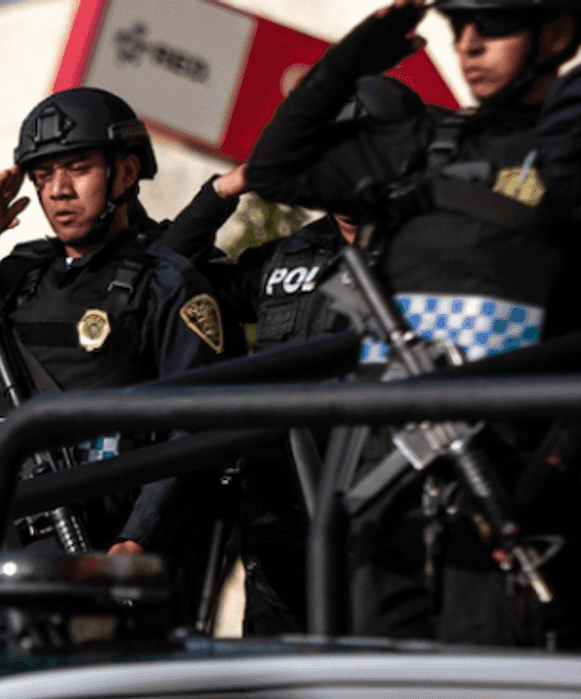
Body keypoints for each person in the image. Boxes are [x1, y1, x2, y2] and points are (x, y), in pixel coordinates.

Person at [245, 0, 581, 644]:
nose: (471, 45)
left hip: (509, 489)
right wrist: (364, 49)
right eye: (460, 27)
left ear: (558, 31)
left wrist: (550, 473)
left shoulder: (565, 153)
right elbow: (273, 168)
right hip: (387, 484)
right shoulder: (429, 144)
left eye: (497, 24)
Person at [0, 87, 235, 626]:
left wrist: (139, 537)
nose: (59, 190)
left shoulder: (164, 283)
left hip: (105, 551)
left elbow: (193, 426)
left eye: (78, 168)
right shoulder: (20, 276)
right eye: (42, 177)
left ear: (126, 172)